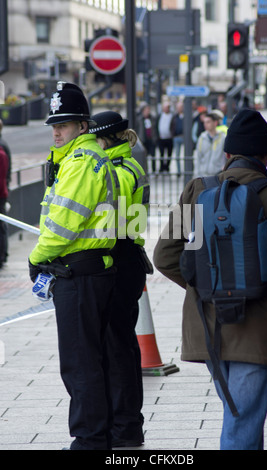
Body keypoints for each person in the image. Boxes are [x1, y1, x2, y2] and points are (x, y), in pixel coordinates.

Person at [153, 109, 267, 450]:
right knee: (242, 424)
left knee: (242, 419)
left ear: (227, 153)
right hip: (259, 329)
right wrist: (266, 291)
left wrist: (206, 286)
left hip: (207, 329)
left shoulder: (196, 190)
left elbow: (164, 256)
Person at [28, 82, 121, 450]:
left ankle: (89, 439)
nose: (56, 130)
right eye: (54, 123)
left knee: (79, 363)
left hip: (79, 274)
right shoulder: (79, 160)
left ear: (83, 126)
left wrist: (36, 258)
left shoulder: (80, 165)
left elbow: (62, 225)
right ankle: (98, 433)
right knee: (91, 359)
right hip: (90, 271)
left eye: (64, 124)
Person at [90, 111, 151, 448]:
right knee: (122, 347)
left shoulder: (116, 172)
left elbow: (108, 225)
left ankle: (125, 427)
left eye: (95, 139)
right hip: (128, 259)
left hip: (118, 260)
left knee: (117, 350)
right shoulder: (130, 166)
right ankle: (126, 425)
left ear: (106, 138)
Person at [194, 112, 226, 177]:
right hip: (203, 175)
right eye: (204, 122)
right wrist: (197, 174)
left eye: (208, 122)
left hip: (218, 175)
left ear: (215, 123)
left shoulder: (223, 137)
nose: (205, 124)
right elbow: (198, 157)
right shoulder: (202, 138)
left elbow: (226, 156)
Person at [136, 104, 158, 173]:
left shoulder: (153, 118)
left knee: (153, 156)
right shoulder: (139, 119)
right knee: (145, 157)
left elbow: (155, 129)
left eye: (148, 110)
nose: (148, 111)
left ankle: (154, 171)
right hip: (144, 140)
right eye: (146, 110)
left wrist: (155, 138)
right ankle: (146, 171)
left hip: (151, 140)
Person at [156, 101, 173, 172]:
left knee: (169, 154)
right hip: (161, 138)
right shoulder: (160, 115)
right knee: (161, 154)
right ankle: (161, 167)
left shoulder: (172, 116)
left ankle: (167, 167)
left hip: (169, 138)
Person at [0, 144, 9, 269]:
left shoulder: (1, 154)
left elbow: (2, 179)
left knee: (1, 227)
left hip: (0, 196)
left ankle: (2, 257)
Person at [171, 101, 184, 176]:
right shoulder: (175, 116)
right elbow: (171, 125)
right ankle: (178, 171)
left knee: (186, 155)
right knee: (177, 155)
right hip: (176, 137)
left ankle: (187, 169)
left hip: (184, 137)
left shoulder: (186, 116)